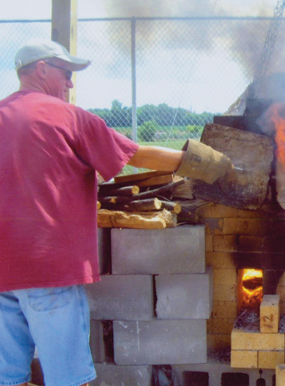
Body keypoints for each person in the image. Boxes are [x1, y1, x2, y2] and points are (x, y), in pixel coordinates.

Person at [0, 39, 233, 386]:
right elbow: (136, 155)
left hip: (4, 273)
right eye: (66, 73)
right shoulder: (68, 117)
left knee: (9, 376)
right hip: (49, 271)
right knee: (67, 378)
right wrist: (207, 163)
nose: (70, 83)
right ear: (41, 69)